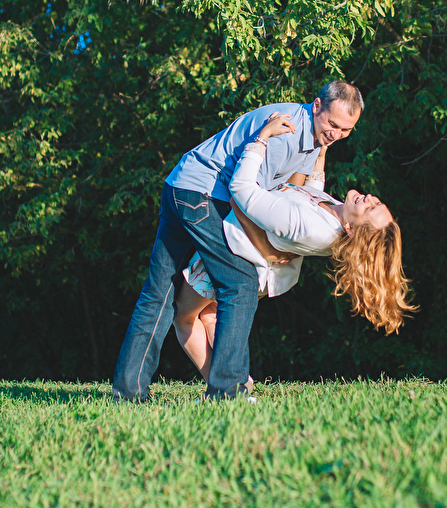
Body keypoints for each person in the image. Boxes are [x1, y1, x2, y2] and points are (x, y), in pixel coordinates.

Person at [112, 81, 364, 401]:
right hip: (204, 194)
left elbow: (292, 190)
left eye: (346, 130)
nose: (337, 134)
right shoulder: (286, 132)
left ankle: (128, 392)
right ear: (317, 106)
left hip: (182, 184)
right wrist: (266, 250)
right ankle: (227, 391)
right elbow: (244, 196)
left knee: (159, 294)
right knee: (240, 284)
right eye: (333, 124)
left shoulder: (312, 136)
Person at [172, 113, 416, 387]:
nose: (369, 198)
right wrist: (320, 149)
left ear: (352, 230)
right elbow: (308, 194)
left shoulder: (313, 228)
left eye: (369, 209)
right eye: (377, 203)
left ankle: (225, 385)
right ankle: (234, 381)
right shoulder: (337, 217)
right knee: (211, 315)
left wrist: (262, 138)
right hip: (248, 260)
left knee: (184, 318)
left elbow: (242, 190)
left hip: (233, 253)